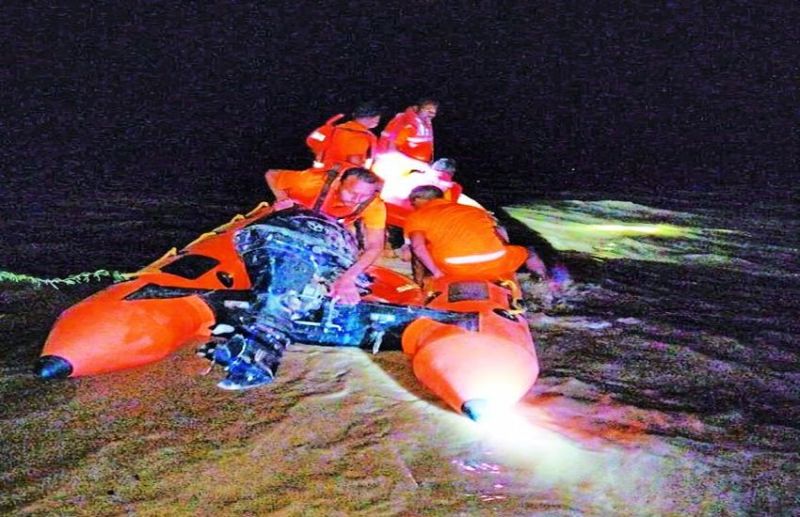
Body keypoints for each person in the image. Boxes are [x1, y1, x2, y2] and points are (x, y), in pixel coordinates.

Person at [265, 166, 386, 304]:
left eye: (364, 196)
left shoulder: (374, 205)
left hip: (325, 235)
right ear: (338, 184)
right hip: (288, 224)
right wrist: (283, 199)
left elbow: (375, 246)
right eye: (352, 192)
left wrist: (349, 277)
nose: (357, 199)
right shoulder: (310, 182)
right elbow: (271, 174)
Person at [404, 185, 546, 284]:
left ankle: (420, 285)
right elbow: (500, 234)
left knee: (422, 248)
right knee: (529, 252)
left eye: (412, 202)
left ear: (418, 199)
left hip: (455, 268)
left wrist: (436, 273)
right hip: (497, 263)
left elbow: (417, 248)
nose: (412, 205)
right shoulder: (475, 210)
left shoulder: (417, 216)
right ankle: (541, 282)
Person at [306, 102, 383, 169]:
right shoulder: (361, 136)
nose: (377, 122)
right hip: (344, 176)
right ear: (370, 118)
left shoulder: (332, 129)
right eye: (376, 119)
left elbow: (311, 141)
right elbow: (354, 160)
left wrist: (323, 154)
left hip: (320, 172)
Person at [377, 98, 438, 163]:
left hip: (418, 163)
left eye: (433, 112)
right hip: (400, 163)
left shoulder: (426, 123)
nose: (432, 115)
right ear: (416, 108)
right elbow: (392, 143)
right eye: (429, 111)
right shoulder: (406, 120)